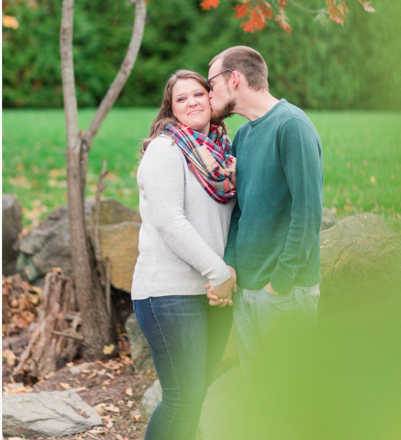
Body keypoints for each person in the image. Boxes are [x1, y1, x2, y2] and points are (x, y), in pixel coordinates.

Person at [131, 70, 238, 440]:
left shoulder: (223, 154)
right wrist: (220, 272)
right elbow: (170, 222)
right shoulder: (166, 150)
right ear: (171, 109)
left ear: (212, 99)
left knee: (198, 396)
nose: (192, 102)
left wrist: (223, 275)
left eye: (198, 94)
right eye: (181, 98)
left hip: (211, 291)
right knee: (183, 399)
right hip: (169, 293)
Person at [206, 46, 322, 376]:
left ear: (235, 79)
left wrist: (281, 283)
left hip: (285, 291)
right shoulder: (243, 136)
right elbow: (240, 210)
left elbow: (308, 212)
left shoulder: (292, 126)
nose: (207, 93)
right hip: (248, 291)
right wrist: (230, 264)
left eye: (212, 84)